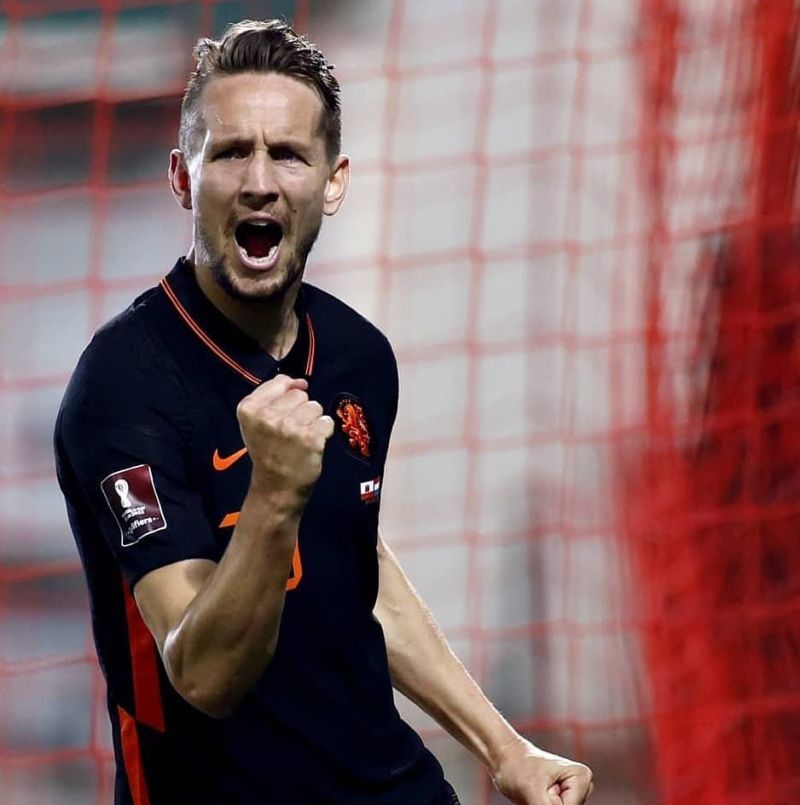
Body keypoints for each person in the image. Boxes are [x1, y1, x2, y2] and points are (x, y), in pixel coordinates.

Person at [54, 18, 594, 805]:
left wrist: (502, 746)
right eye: (231, 151)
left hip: (386, 783)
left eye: (289, 154)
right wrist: (274, 492)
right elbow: (202, 674)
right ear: (182, 176)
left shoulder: (359, 356)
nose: (260, 181)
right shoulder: (122, 385)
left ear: (333, 182)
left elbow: (355, 562)